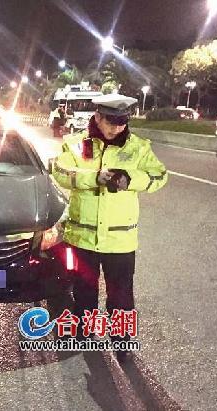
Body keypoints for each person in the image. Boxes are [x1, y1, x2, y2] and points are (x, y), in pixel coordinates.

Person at [52, 94, 167, 362]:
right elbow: (60, 172)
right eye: (111, 122)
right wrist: (94, 177)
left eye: (122, 122)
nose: (117, 128)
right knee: (84, 292)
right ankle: (83, 334)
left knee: (121, 295)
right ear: (98, 117)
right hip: (82, 237)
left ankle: (122, 342)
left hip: (119, 240)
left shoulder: (139, 148)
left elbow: (159, 176)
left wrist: (130, 179)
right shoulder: (76, 144)